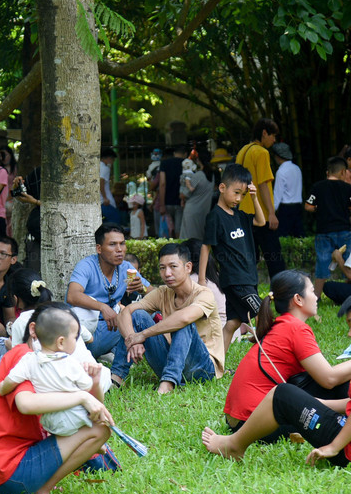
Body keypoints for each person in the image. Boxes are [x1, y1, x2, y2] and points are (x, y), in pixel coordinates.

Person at [202, 287, 351, 466]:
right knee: (300, 396)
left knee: (282, 393)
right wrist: (319, 404)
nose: (349, 333)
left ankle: (234, 446)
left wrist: (334, 447)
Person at [0, 304, 114, 494]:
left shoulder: (50, 366)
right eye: (72, 337)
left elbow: (94, 411)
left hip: (6, 471)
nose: (74, 345)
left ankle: (38, 485)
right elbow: (25, 404)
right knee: (100, 431)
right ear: (34, 331)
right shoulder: (23, 358)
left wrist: (94, 384)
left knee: (97, 429)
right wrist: (81, 398)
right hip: (7, 472)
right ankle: (41, 492)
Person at [224, 270, 351, 442]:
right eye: (311, 291)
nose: (316, 296)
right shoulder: (295, 328)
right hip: (254, 422)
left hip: (238, 419)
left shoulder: (283, 324)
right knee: (341, 392)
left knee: (344, 382)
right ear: (298, 299)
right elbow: (328, 378)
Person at [110, 243, 224, 395]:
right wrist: (132, 338)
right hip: (171, 360)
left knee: (183, 323)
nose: (167, 273)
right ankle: (116, 378)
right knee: (137, 315)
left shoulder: (204, 294)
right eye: (162, 268)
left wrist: (143, 335)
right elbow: (126, 312)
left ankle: (167, 384)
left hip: (202, 369)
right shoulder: (163, 292)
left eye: (173, 266)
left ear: (188, 267)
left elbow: (183, 319)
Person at [0, 307, 100, 437]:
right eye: (75, 338)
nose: (75, 341)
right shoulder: (71, 363)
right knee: (98, 426)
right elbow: (87, 387)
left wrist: (2, 388)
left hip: (49, 422)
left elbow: (11, 380)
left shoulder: (28, 360)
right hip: (76, 419)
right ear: (61, 342)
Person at [199, 164, 266, 354]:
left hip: (248, 278)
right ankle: (270, 357)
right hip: (236, 280)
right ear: (222, 188)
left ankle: (216, 363)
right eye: (236, 193)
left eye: (242, 195)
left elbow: (261, 222)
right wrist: (202, 280)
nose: (239, 199)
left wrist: (254, 197)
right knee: (263, 313)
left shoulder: (240, 216)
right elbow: (206, 247)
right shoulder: (215, 217)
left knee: (233, 323)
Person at [67, 223, 151, 358]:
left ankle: (109, 353)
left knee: (142, 316)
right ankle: (109, 354)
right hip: (84, 332)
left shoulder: (126, 267)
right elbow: (72, 295)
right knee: (134, 319)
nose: (119, 250)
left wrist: (142, 288)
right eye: (112, 244)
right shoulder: (87, 265)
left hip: (111, 327)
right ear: (99, 249)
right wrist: (103, 307)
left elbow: (153, 293)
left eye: (122, 244)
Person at [235, 118, 285, 278]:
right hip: (260, 214)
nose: (274, 140)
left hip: (243, 212)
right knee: (274, 257)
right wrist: (271, 213)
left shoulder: (243, 151)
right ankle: (282, 293)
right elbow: (263, 184)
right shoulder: (262, 153)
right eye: (273, 136)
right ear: (264, 133)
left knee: (250, 257)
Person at [305, 156, 351, 299]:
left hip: (323, 231)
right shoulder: (348, 188)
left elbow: (308, 206)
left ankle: (316, 297)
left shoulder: (318, 187)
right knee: (348, 262)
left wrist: (319, 208)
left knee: (322, 263)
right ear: (343, 172)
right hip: (344, 231)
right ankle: (349, 292)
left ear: (328, 172)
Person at [271, 142, 303, 238]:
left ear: (278, 156)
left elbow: (277, 193)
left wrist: (272, 212)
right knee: (299, 236)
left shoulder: (281, 172)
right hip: (297, 206)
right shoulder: (297, 168)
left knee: (283, 236)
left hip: (286, 208)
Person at [180, 152, 215, 240]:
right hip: (204, 210)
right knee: (200, 238)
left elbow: (184, 194)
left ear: (198, 161)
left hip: (192, 211)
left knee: (188, 238)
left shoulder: (198, 175)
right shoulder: (212, 176)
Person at [157, 145, 187, 237]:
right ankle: (179, 249)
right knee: (179, 230)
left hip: (167, 202)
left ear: (174, 153)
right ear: (185, 154)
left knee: (168, 230)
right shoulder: (186, 164)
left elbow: (162, 184)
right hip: (181, 202)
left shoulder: (164, 163)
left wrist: (161, 204)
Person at [99, 148, 120, 224]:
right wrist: (105, 197)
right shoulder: (105, 168)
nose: (112, 162)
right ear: (109, 158)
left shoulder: (97, 167)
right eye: (113, 159)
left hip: (98, 201)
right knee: (114, 222)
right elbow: (101, 182)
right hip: (106, 201)